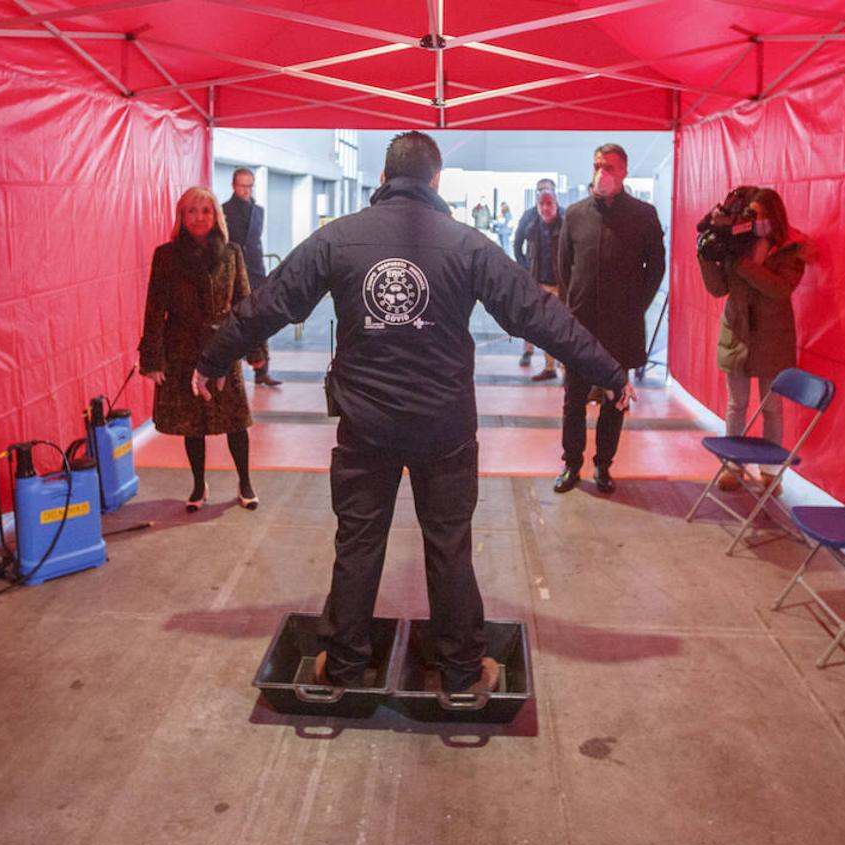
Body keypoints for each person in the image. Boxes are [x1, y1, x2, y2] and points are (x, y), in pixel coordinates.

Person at [193, 132, 632, 696]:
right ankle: (461, 669)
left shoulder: (339, 239)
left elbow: (269, 303)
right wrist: (609, 372)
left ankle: (345, 668)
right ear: (436, 181)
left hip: (365, 425)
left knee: (358, 543)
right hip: (444, 428)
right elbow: (538, 315)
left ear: (382, 178)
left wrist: (211, 359)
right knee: (448, 546)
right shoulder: (468, 245)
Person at [553, 143, 665, 495]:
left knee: (615, 400)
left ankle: (604, 465)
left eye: (611, 167)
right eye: (599, 165)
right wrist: (572, 307)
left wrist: (636, 305)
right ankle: (572, 464)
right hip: (582, 326)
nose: (603, 172)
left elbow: (656, 268)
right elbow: (563, 269)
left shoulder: (643, 215)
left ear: (624, 172)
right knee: (574, 400)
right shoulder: (574, 214)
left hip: (622, 327)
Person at [139, 186, 260, 512]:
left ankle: (245, 480)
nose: (198, 217)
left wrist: (255, 349)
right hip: (181, 348)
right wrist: (152, 358)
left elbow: (245, 304)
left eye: (205, 211)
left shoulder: (232, 253)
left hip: (224, 347)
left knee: (236, 420)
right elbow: (154, 309)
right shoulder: (165, 255)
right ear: (181, 216)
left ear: (215, 216)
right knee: (192, 424)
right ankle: (197, 483)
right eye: (191, 211)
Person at [698, 186, 808, 491]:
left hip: (774, 337)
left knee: (772, 407)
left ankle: (772, 473)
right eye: (751, 213)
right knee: (737, 404)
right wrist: (706, 254)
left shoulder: (791, 247)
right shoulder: (739, 243)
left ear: (775, 216)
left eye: (760, 214)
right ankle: (731, 466)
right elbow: (719, 288)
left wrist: (739, 263)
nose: (754, 219)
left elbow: (779, 289)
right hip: (737, 332)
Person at [222, 168, 281, 388]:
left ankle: (262, 371)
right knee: (232, 322)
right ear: (233, 186)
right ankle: (228, 371)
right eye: (242, 185)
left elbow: (255, 243)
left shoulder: (259, 211)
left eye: (249, 185)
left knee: (261, 319)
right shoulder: (224, 210)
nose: (246, 190)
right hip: (232, 272)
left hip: (255, 272)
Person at [512, 178, 559, 375]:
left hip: (560, 281)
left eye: (548, 190)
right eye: (540, 191)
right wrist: (525, 269)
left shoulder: (565, 217)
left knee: (560, 324)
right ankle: (529, 351)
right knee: (532, 320)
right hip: (537, 279)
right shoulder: (529, 217)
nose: (544, 193)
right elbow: (517, 245)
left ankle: (559, 364)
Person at [522, 190, 566, 383]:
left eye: (549, 203)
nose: (546, 208)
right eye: (542, 204)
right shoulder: (532, 228)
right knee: (546, 330)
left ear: (556, 204)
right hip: (541, 285)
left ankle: (566, 367)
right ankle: (550, 367)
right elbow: (523, 251)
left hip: (563, 286)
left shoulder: (567, 226)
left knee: (565, 329)